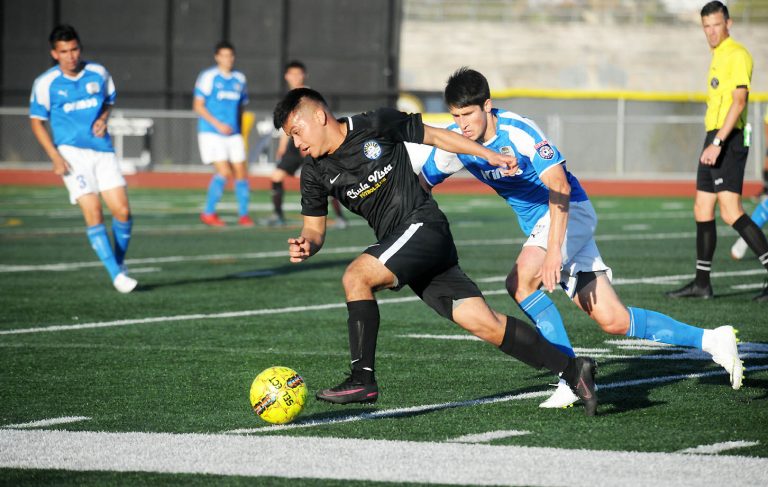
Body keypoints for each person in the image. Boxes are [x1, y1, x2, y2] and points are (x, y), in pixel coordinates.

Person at [418, 67, 744, 409]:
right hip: (545, 227)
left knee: (520, 282)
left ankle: (570, 376)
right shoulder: (456, 142)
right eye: (456, 116)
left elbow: (559, 186)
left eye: (468, 114)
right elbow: (423, 183)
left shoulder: (520, 131)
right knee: (614, 320)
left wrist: (553, 251)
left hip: (570, 211)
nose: (462, 124)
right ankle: (712, 339)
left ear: (487, 105)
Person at [273, 88, 599, 415]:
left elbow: (439, 137)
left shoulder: (375, 123)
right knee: (484, 323)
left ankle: (362, 378)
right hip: (407, 247)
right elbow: (314, 229)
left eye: (297, 131)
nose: (297, 143)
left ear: (320, 116)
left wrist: (489, 155)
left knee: (356, 276)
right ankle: (574, 370)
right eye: (290, 137)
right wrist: (307, 244)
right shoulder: (314, 172)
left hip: (423, 226)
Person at [666, 1, 768, 302]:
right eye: (706, 26)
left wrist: (718, 142)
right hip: (714, 137)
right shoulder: (718, 55)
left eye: (716, 25)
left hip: (729, 138)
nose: (711, 31)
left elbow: (739, 102)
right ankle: (702, 284)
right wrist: (713, 140)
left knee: (731, 211)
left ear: (728, 24)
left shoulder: (737, 54)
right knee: (702, 207)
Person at [29, 24, 137, 293]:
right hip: (71, 155)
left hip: (102, 150)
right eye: (64, 51)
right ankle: (116, 276)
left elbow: (109, 99)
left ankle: (118, 263)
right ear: (55, 54)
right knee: (94, 211)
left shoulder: (98, 73)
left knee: (123, 212)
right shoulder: (45, 83)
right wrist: (54, 156)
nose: (71, 56)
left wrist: (104, 117)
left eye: (74, 49)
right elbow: (36, 122)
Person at [263, 61, 347, 228]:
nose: (295, 77)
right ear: (286, 76)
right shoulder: (288, 97)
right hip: (295, 146)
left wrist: (310, 143)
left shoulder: (308, 96)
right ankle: (277, 215)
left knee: (327, 180)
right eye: (292, 74)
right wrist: (282, 147)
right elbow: (288, 126)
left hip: (311, 144)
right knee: (276, 177)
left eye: (298, 74)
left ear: (304, 75)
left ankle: (340, 217)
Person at [194, 41, 253, 227]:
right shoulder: (208, 76)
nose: (228, 59)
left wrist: (240, 130)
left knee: (241, 172)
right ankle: (208, 213)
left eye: (231, 55)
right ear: (217, 57)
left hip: (233, 134)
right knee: (224, 171)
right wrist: (218, 124)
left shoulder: (239, 79)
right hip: (212, 132)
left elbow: (241, 107)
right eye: (224, 55)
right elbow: (198, 105)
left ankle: (244, 215)